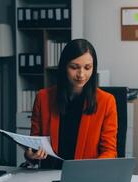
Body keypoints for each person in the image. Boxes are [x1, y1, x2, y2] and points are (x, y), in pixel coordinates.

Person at [24, 39, 117, 169]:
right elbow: (34, 143)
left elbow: (109, 151)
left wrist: (94, 169)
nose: (81, 74)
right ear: (64, 67)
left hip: (85, 175)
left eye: (87, 67)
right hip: (49, 173)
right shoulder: (43, 98)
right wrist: (31, 154)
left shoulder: (107, 101)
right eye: (74, 67)